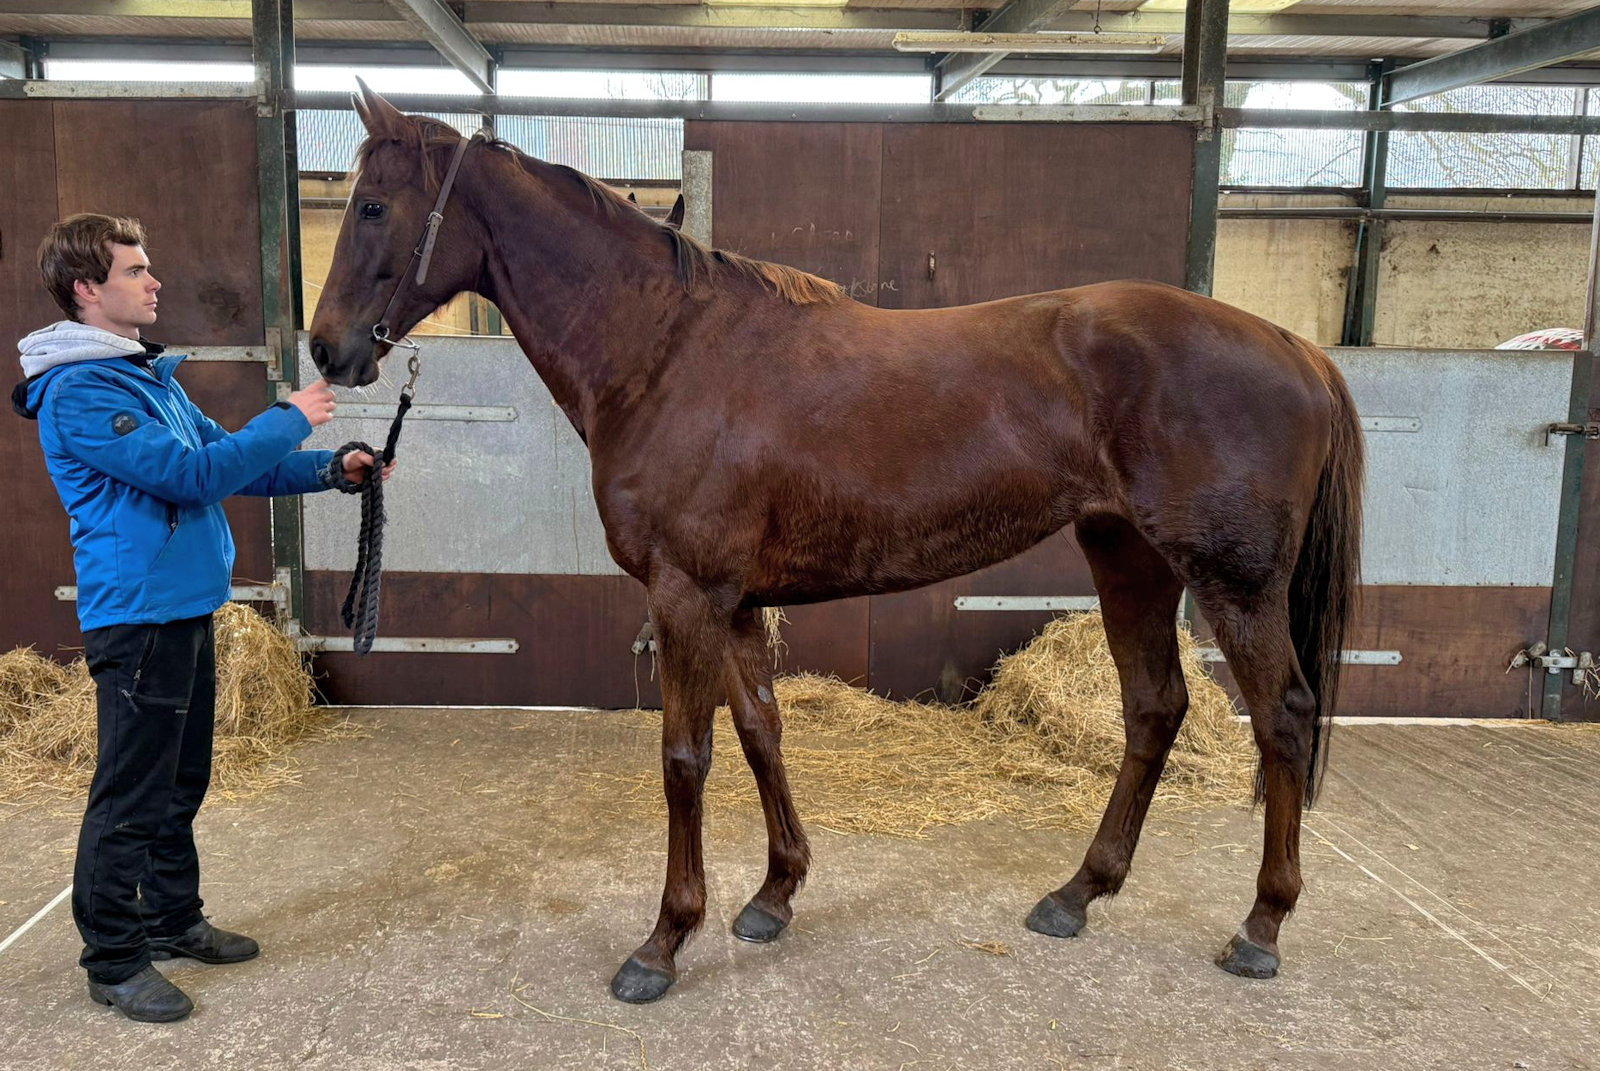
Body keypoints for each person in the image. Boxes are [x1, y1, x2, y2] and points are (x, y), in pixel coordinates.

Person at [11, 212, 392, 1023]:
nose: (154, 282)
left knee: (180, 781)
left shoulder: (146, 378)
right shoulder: (81, 392)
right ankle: (115, 958)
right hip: (138, 618)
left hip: (182, 606)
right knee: (131, 792)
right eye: (134, 270)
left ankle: (171, 917)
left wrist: (332, 469)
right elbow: (192, 477)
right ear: (86, 289)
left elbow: (232, 465)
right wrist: (293, 414)